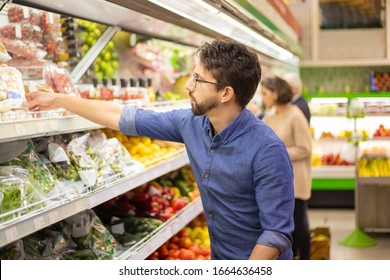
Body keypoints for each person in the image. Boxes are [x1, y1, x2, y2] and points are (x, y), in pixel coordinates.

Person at [25, 38, 295, 260]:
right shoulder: (192, 123)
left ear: (225, 94)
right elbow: (121, 115)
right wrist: (59, 99)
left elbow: (276, 233)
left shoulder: (267, 149)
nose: (189, 86)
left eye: (198, 80)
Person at [261, 76, 312, 260]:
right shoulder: (270, 116)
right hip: (277, 180)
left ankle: (304, 261)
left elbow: (305, 148)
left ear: (275, 93)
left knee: (299, 225)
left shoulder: (295, 115)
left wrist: (277, 153)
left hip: (296, 180)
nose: (262, 98)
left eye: (265, 93)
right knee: (285, 227)